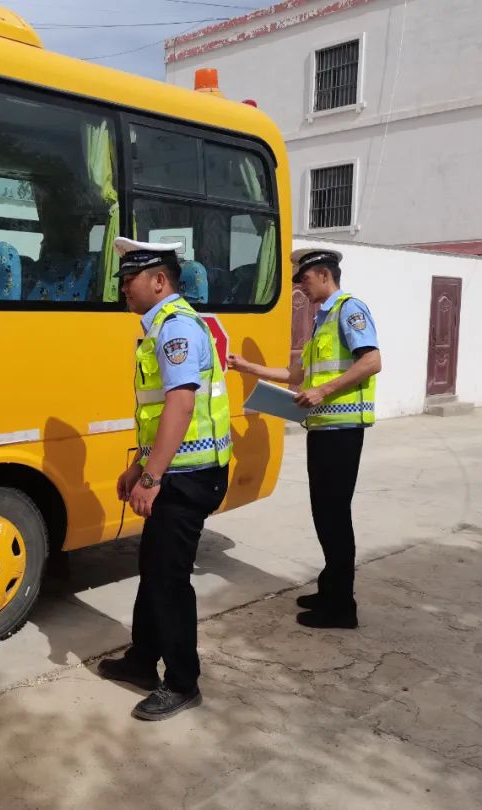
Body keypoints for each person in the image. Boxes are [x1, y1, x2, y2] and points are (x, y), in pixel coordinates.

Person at [96, 237, 231, 721]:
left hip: (188, 477)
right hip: (174, 469)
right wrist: (140, 464)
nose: (122, 289)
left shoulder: (176, 329)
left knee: (170, 581)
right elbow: (158, 417)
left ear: (159, 281)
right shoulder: (161, 328)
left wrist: (150, 478)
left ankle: (182, 682)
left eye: (128, 280)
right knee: (153, 570)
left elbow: (181, 405)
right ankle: (140, 660)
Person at [228, 248, 380, 630]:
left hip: (342, 432)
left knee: (334, 516)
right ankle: (330, 589)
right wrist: (247, 367)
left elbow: (372, 360)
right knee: (324, 514)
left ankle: (342, 606)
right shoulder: (321, 319)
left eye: (305, 280)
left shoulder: (349, 309)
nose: (301, 287)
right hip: (322, 430)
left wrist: (324, 391)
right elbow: (295, 376)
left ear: (325, 275)